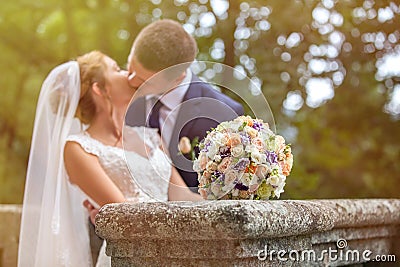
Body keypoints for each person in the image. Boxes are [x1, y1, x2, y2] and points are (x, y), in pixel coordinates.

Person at [18, 50, 202, 267]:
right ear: (100, 89)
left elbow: (182, 196)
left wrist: (233, 189)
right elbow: (126, 217)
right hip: (131, 258)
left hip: (175, 253)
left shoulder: (150, 136)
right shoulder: (78, 149)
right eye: (116, 69)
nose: (127, 74)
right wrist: (109, 219)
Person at [125, 19, 244, 192]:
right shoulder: (120, 94)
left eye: (144, 81)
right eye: (130, 67)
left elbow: (222, 196)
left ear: (178, 77)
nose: (130, 81)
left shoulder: (224, 115)